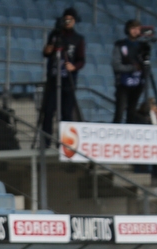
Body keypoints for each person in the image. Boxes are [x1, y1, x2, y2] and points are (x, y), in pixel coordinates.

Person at [41, 7, 86, 146]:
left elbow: (81, 60)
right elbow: (46, 52)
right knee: (48, 112)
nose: (68, 21)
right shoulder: (55, 35)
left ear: (74, 21)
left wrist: (73, 67)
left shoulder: (78, 39)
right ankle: (45, 143)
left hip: (68, 81)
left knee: (67, 114)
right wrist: (51, 42)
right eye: (66, 19)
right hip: (53, 78)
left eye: (70, 19)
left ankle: (64, 144)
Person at [112, 19, 145, 124]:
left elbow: (146, 65)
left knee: (132, 111)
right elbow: (116, 65)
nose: (136, 31)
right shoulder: (120, 45)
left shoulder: (143, 46)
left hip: (137, 82)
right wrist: (132, 68)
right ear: (128, 29)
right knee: (119, 112)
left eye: (138, 29)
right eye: (133, 28)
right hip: (122, 83)